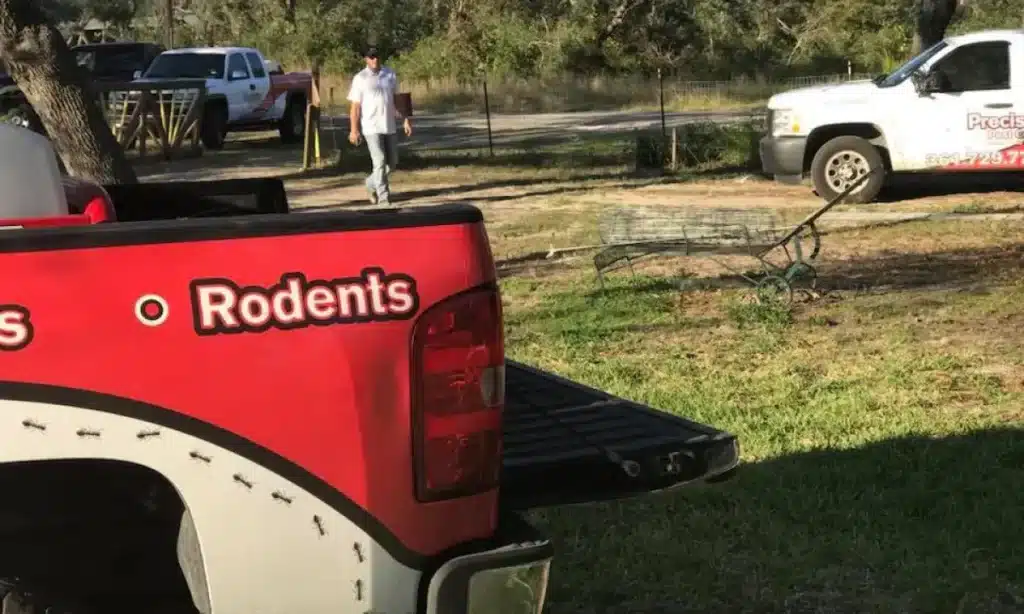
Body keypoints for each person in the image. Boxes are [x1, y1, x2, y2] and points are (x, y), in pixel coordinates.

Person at [347, 46, 413, 206]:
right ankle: (383, 198)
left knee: (392, 162)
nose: (374, 59)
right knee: (380, 160)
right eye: (371, 57)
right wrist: (354, 130)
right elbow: (355, 107)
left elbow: (397, 99)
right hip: (370, 126)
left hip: (388, 124)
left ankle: (370, 183)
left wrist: (405, 119)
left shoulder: (389, 74)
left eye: (376, 56)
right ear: (366, 59)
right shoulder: (360, 78)